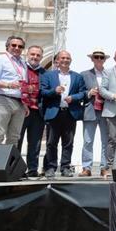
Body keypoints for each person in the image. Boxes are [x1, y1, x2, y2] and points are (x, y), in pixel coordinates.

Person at [40, 51, 86, 179]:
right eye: (63, 58)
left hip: (70, 113)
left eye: (68, 58)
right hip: (54, 112)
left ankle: (65, 167)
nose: (65, 60)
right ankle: (50, 167)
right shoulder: (48, 75)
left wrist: (74, 97)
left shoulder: (77, 76)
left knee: (68, 142)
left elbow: (83, 93)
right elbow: (43, 92)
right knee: (51, 142)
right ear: (57, 61)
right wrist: (54, 91)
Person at [0, 36, 28, 146]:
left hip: (19, 102)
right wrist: (8, 85)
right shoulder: (0, 59)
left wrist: (25, 103)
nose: (17, 48)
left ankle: (9, 163)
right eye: (13, 45)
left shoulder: (23, 63)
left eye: (20, 46)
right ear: (7, 46)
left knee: (14, 137)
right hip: (2, 100)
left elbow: (22, 84)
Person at [80, 48, 109, 177]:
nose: (98, 59)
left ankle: (104, 167)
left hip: (106, 111)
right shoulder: (84, 74)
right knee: (88, 141)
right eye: (96, 57)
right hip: (90, 110)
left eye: (101, 57)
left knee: (105, 141)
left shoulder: (109, 74)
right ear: (92, 59)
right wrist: (88, 93)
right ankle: (87, 167)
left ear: (104, 60)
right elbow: (79, 93)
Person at [18, 45, 46, 177]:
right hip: (21, 109)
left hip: (37, 111)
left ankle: (33, 169)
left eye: (38, 55)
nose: (35, 57)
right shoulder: (20, 68)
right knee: (17, 140)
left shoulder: (44, 73)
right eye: (32, 54)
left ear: (41, 57)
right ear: (27, 54)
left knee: (35, 142)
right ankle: (16, 169)